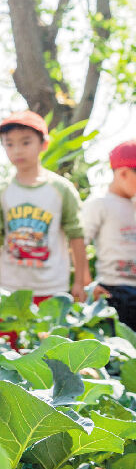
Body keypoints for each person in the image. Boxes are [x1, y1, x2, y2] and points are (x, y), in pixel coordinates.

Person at [0, 111, 90, 344]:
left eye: (25, 142)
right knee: (11, 358)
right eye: (9, 144)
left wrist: (81, 281)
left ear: (44, 144)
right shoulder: (1, 191)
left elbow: (77, 235)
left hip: (52, 289)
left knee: (52, 356)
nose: (17, 150)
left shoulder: (61, 189)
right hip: (11, 290)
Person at [81, 140, 136, 330]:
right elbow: (78, 244)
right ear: (123, 173)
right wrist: (87, 285)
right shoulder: (100, 204)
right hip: (114, 291)